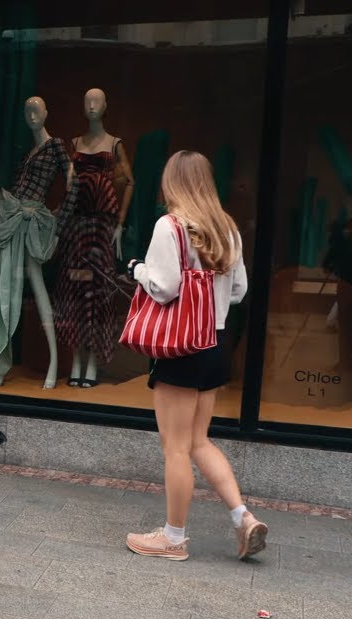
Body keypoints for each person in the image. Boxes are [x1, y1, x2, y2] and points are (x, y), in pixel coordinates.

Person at [124, 150, 266, 562]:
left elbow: (165, 288)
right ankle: (244, 518)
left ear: (173, 183)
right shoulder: (227, 228)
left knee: (175, 448)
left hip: (182, 347)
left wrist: (136, 269)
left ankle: (173, 538)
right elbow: (238, 291)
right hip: (216, 343)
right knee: (199, 440)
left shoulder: (170, 227)